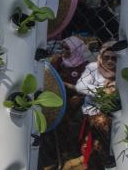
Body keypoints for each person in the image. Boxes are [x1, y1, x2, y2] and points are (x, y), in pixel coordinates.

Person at [40, 36, 89, 169]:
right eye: (61, 47)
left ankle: (68, 153)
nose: (62, 50)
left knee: (72, 116)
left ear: (76, 50)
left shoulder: (84, 67)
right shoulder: (58, 61)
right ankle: (52, 157)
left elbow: (84, 90)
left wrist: (64, 85)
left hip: (74, 101)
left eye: (66, 48)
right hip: (55, 98)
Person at [74, 41, 117, 169]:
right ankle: (103, 158)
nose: (110, 61)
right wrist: (100, 91)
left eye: (114, 58)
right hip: (95, 110)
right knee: (101, 124)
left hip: (115, 111)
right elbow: (80, 86)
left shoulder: (122, 70)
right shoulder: (93, 67)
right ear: (101, 56)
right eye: (106, 57)